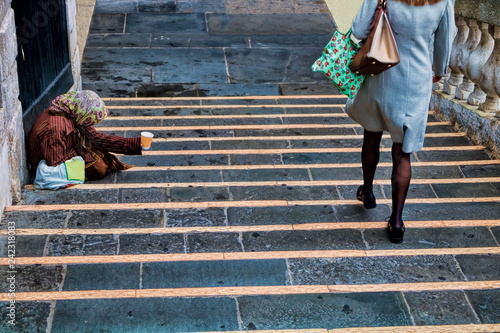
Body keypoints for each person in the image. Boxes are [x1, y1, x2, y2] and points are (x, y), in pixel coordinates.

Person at [345, 0, 456, 243]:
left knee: (371, 133)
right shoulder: (443, 1)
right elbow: (444, 40)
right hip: (415, 78)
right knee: (402, 152)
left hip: (380, 69)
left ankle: (368, 191)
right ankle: (396, 222)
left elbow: (358, 29)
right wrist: (438, 68)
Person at [28, 90, 143, 182]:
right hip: (51, 163)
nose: (90, 125)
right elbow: (54, 162)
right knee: (99, 167)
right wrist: (81, 151)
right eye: (89, 122)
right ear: (84, 115)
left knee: (99, 153)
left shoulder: (70, 110)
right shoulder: (55, 129)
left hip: (65, 149)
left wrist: (135, 143)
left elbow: (95, 137)